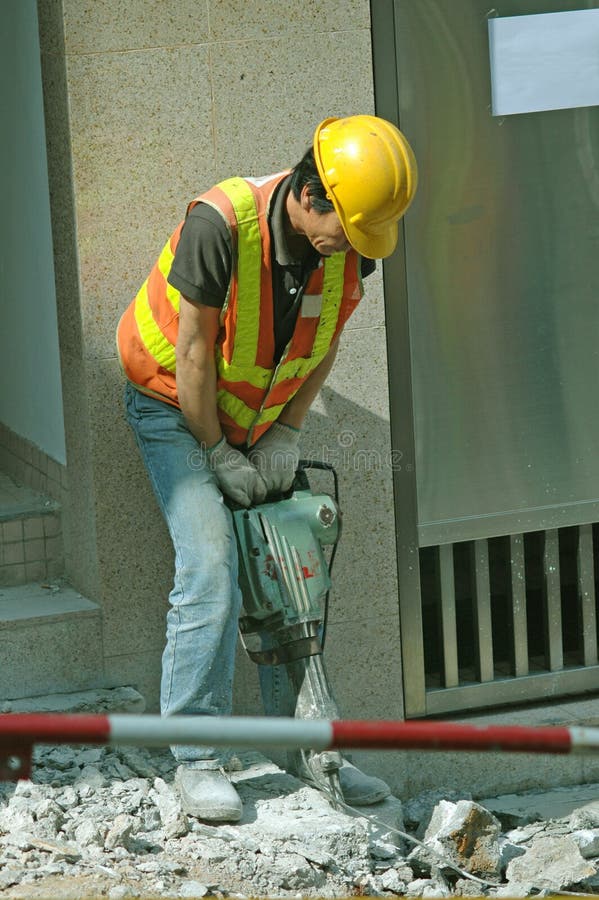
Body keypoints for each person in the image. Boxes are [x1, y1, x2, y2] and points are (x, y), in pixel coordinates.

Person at [117, 115, 418, 823]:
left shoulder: (348, 246)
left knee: (293, 566)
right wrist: (215, 452)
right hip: (172, 406)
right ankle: (195, 758)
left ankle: (308, 750)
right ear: (311, 196)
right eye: (343, 229)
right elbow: (192, 354)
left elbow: (326, 340)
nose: (350, 248)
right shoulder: (219, 225)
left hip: (261, 420)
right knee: (212, 563)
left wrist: (284, 434)